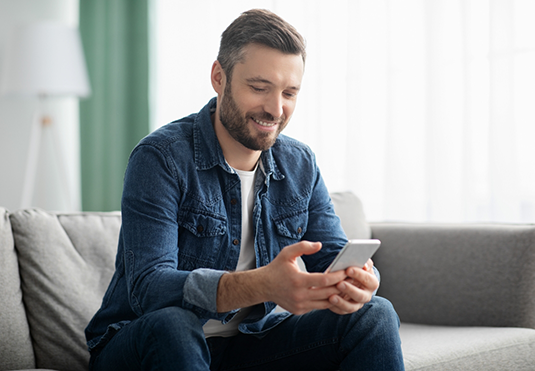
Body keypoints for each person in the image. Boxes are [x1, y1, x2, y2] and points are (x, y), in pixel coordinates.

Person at [85, 8, 404, 371]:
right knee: (173, 324)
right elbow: (149, 289)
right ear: (219, 78)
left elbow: (333, 256)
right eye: (259, 88)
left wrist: (361, 282)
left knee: (375, 313)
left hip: (250, 344)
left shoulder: (299, 163)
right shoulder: (161, 158)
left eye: (289, 93)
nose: (275, 108)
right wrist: (260, 285)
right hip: (144, 343)